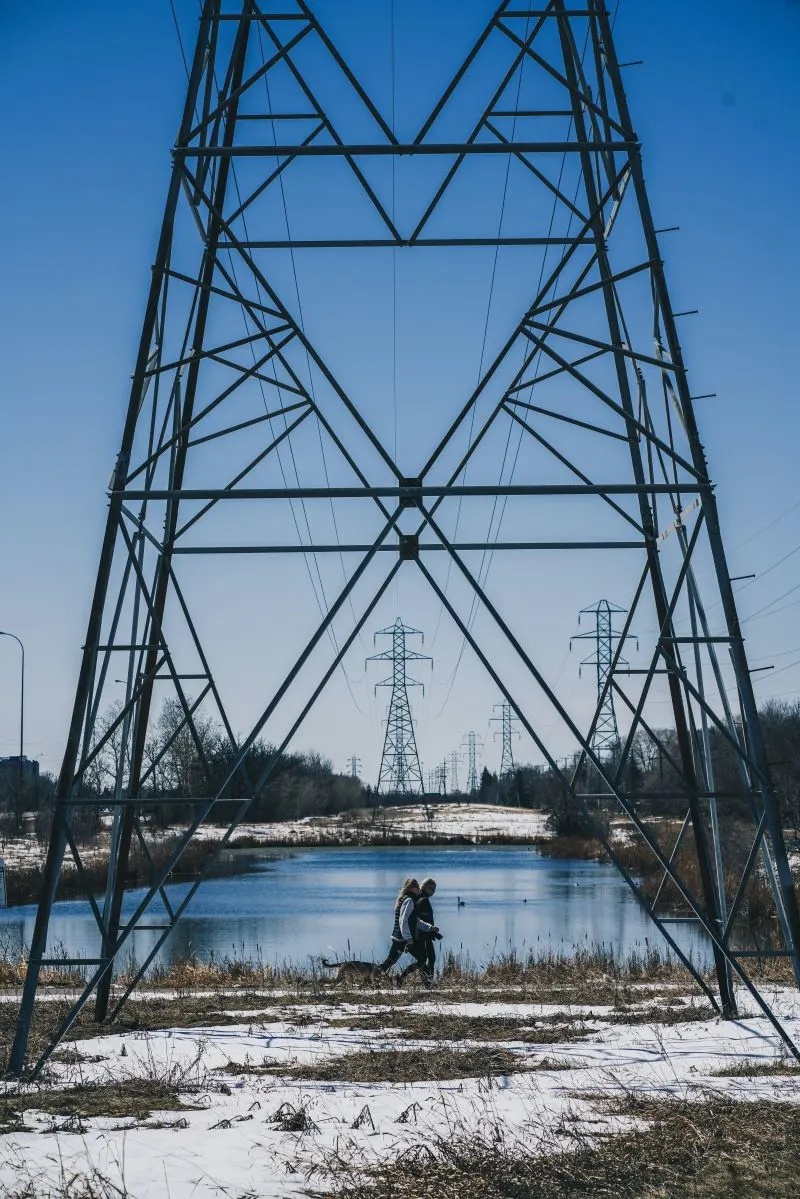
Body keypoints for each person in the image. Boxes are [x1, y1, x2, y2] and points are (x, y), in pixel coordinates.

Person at [398, 876, 441, 984]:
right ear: (426, 887)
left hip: (424, 934)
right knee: (429, 959)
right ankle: (426, 982)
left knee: (425, 960)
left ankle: (426, 981)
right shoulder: (423, 900)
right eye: (432, 889)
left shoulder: (419, 897)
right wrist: (430, 932)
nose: (434, 892)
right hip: (423, 935)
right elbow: (419, 919)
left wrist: (432, 931)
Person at [379, 877, 420, 974]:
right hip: (401, 938)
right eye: (416, 886)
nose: (418, 888)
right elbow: (403, 921)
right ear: (410, 888)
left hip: (399, 937)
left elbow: (414, 920)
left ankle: (373, 976)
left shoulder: (404, 899)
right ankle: (372, 976)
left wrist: (429, 927)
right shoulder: (409, 900)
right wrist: (409, 939)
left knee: (390, 962)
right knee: (390, 962)